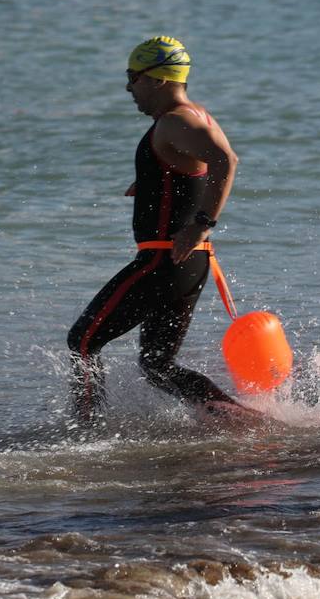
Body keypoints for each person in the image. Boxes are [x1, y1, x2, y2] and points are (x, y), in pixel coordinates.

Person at [66, 36, 252, 423]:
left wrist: (201, 224)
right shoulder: (192, 117)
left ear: (158, 79)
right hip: (186, 264)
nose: (129, 88)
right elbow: (194, 169)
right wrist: (152, 183)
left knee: (82, 342)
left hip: (163, 262)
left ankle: (84, 432)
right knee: (157, 365)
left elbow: (225, 160)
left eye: (133, 77)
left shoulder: (176, 120)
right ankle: (241, 422)